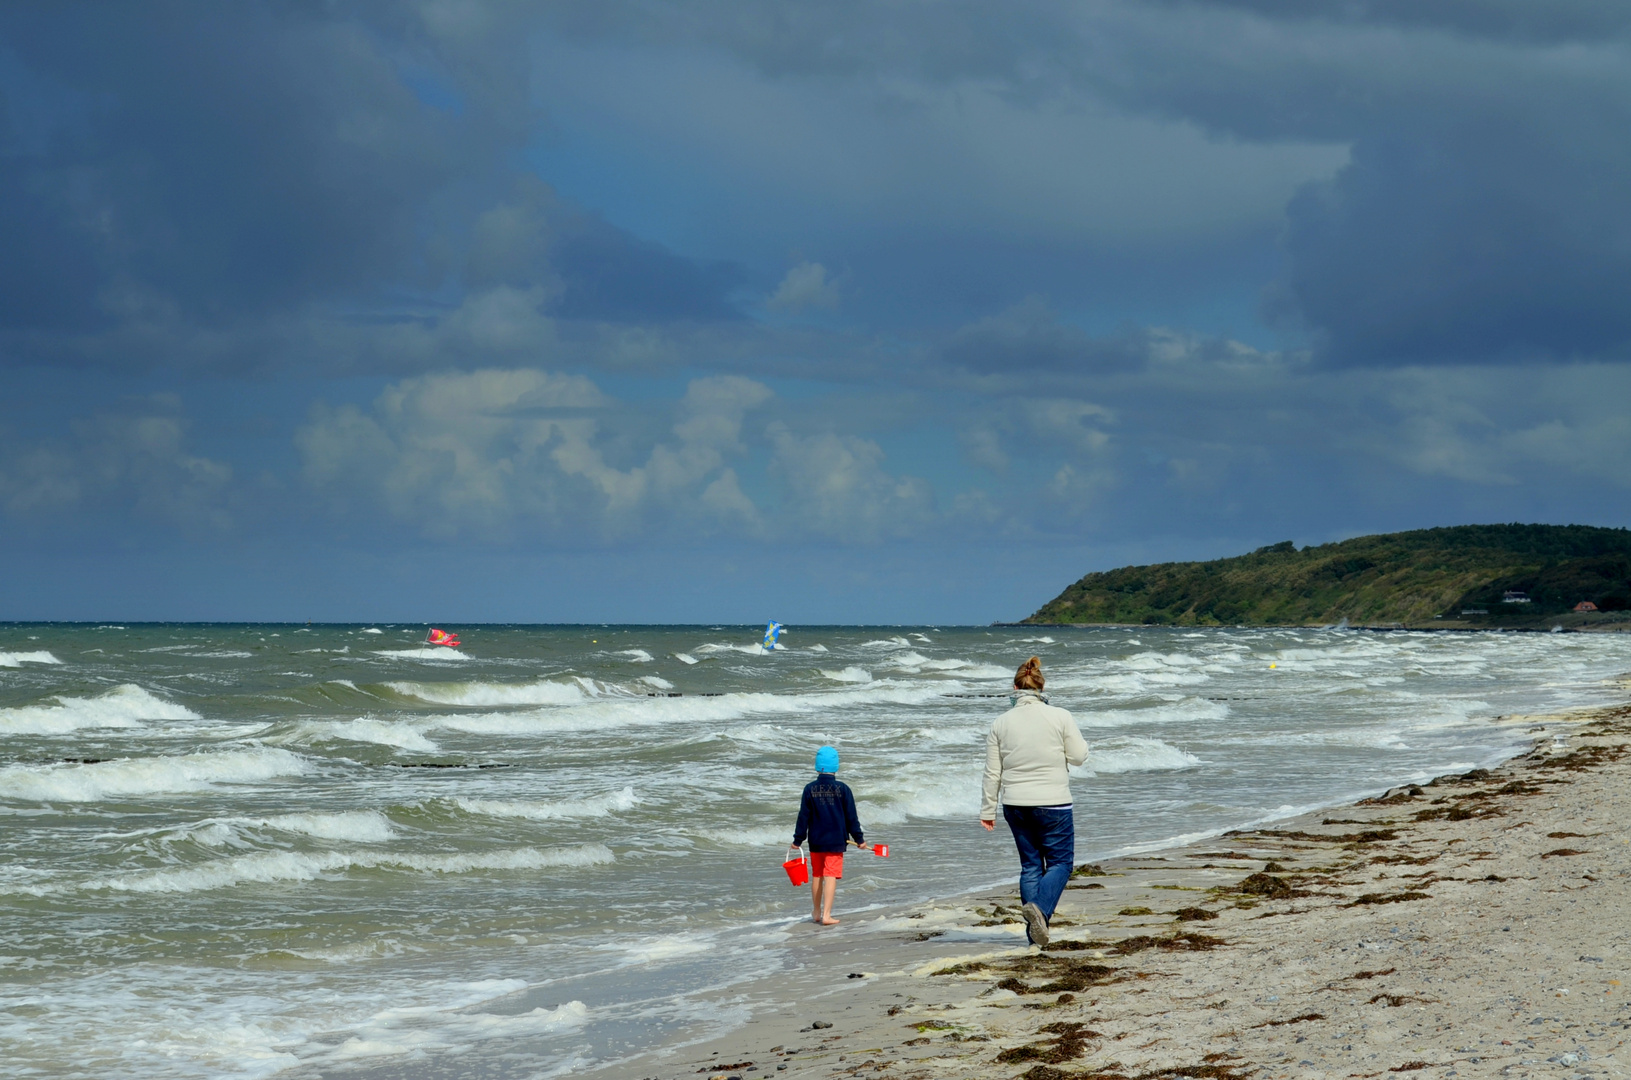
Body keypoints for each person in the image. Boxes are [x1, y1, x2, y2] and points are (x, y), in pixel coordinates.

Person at [980, 656, 1088, 947]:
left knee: (1030, 866)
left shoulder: (1000, 723)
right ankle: (1039, 910)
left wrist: (987, 809)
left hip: (1015, 804)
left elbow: (993, 771)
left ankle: (1035, 936)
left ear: (1015, 687)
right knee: (1061, 863)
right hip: (1054, 802)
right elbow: (1079, 757)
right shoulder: (1060, 716)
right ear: (1041, 687)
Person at [793, 745, 864, 926]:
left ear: (818, 766)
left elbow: (803, 816)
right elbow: (851, 817)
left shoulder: (809, 789)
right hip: (835, 841)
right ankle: (826, 915)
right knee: (830, 875)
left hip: (816, 840)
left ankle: (816, 912)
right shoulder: (843, 789)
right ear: (835, 766)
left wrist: (798, 839)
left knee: (817, 875)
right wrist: (859, 839)